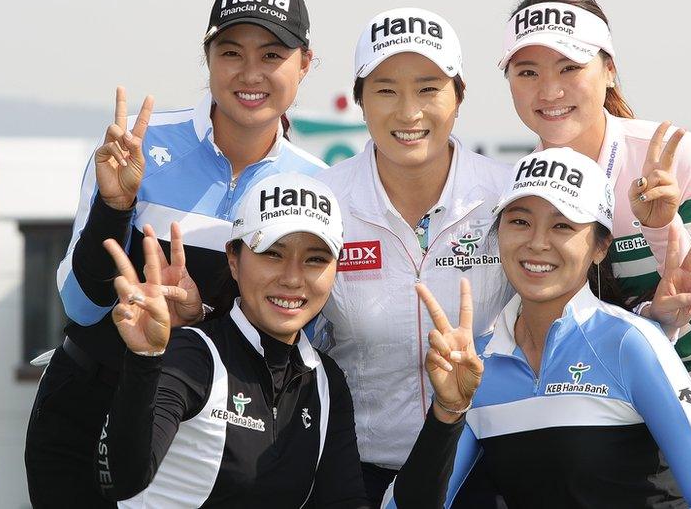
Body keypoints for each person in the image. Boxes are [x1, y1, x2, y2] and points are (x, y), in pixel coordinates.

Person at [496, 0, 691, 507]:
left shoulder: (674, 155)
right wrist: (652, 314)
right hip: (636, 413)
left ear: (609, 69)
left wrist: (672, 245)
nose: (548, 90)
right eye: (527, 72)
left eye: (569, 67)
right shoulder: (523, 186)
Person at [24, 0, 326, 508]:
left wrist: (203, 314)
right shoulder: (139, 146)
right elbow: (80, 302)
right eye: (231, 51)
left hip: (208, 429)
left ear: (304, 63)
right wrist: (114, 206)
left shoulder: (316, 183)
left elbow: (301, 329)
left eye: (272, 54)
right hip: (86, 399)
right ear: (207, 58)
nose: (250, 73)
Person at [385, 147, 691, 508]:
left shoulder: (630, 342)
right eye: (520, 221)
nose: (538, 242)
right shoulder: (476, 363)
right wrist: (447, 413)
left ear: (600, 247)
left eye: (563, 225)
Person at [94, 172, 474, 508]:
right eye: (272, 254)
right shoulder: (192, 353)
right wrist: (145, 357)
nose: (292, 278)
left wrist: (446, 413)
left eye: (314, 259)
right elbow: (120, 481)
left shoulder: (325, 380)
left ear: (335, 270)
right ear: (233, 259)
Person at [313, 7, 513, 505]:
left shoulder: (511, 197)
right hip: (361, 473)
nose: (408, 112)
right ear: (359, 100)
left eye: (428, 88)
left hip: (494, 471)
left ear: (459, 96)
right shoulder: (321, 204)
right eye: (385, 90)